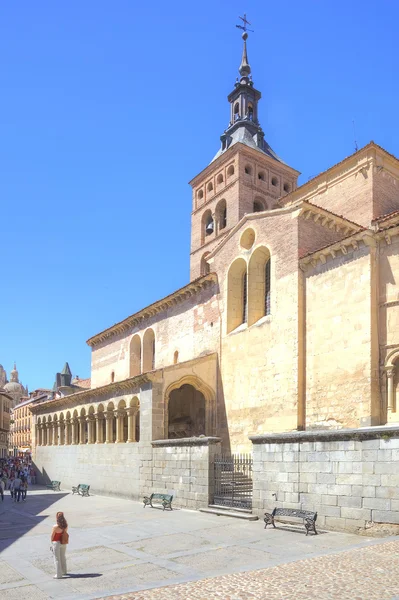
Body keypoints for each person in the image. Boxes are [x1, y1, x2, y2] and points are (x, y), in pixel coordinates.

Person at [51, 512, 68, 579]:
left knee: (57, 558)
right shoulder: (66, 525)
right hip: (63, 542)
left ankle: (58, 574)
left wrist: (52, 543)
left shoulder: (55, 527)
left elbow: (52, 536)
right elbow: (65, 532)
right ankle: (64, 571)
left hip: (56, 543)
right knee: (63, 557)